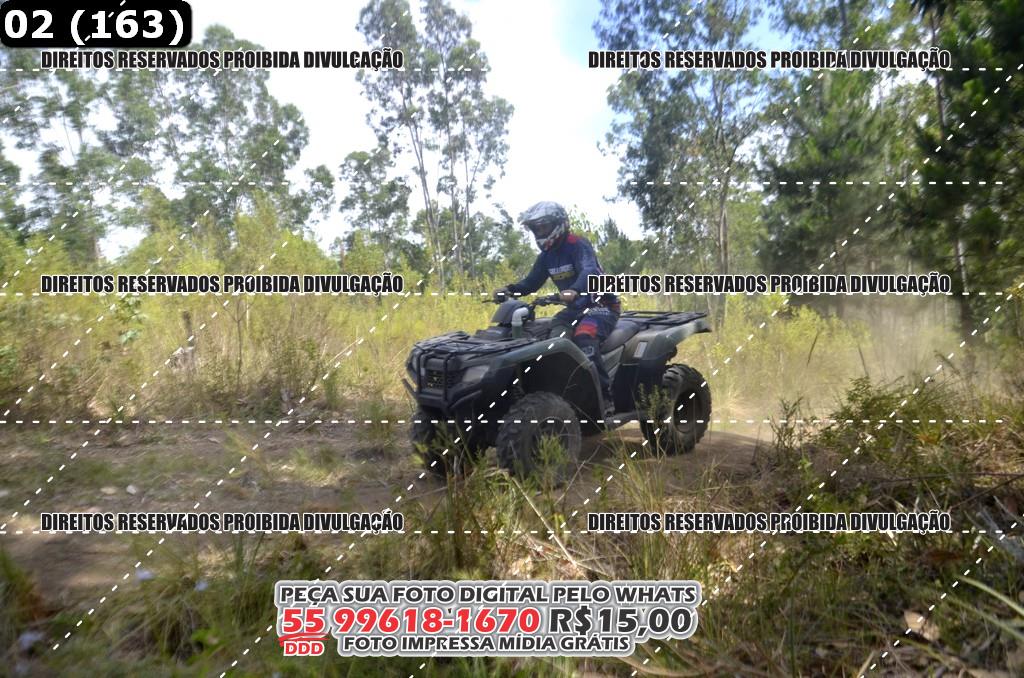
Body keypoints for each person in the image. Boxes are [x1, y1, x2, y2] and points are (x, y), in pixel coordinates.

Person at [495, 201, 621, 410]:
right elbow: (531, 282)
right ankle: (563, 391)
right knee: (552, 342)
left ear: (558, 224)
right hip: (575, 310)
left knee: (584, 337)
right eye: (536, 229)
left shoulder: (577, 245)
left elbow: (589, 270)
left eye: (543, 227)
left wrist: (575, 290)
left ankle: (605, 398)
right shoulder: (546, 257)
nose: (540, 233)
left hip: (602, 306)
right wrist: (509, 290)